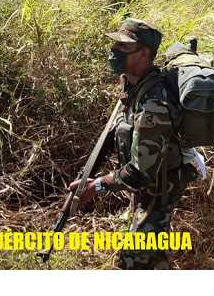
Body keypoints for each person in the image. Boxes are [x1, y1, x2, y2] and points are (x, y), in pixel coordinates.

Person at [68, 18, 202, 269]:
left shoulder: (153, 104)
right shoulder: (133, 85)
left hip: (157, 193)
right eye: (115, 44)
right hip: (146, 192)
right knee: (152, 258)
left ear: (144, 54)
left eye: (123, 46)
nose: (114, 50)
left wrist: (97, 186)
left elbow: (140, 172)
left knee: (134, 262)